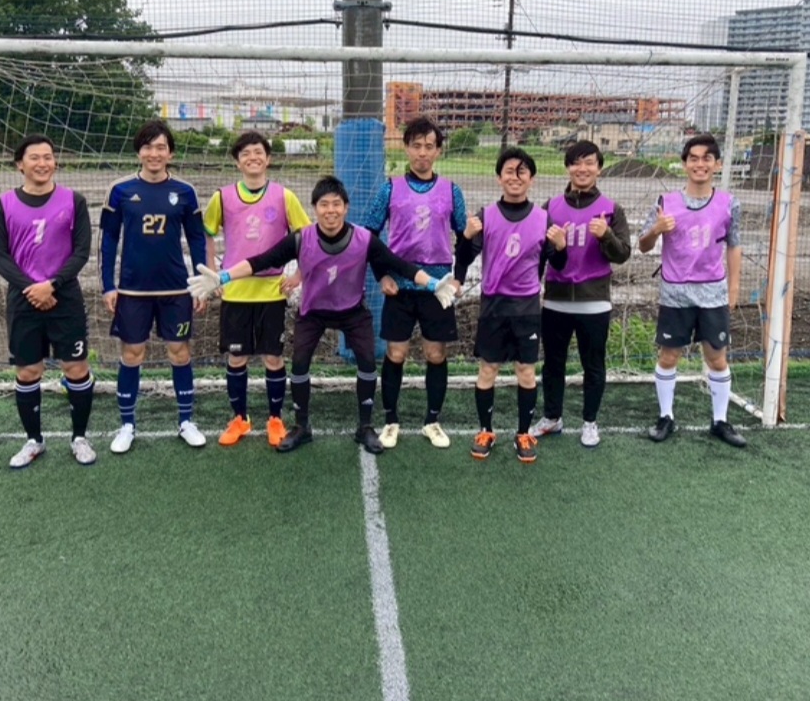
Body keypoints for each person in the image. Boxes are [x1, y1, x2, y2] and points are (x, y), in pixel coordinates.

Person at [187, 176, 456, 456]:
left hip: (352, 311)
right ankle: (302, 427)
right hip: (313, 312)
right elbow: (261, 261)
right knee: (299, 365)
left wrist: (434, 284)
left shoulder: (364, 239)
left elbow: (399, 265)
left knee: (367, 363)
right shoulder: (301, 238)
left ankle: (365, 427)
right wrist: (222, 277)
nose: (331, 210)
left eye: (336, 204)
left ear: (346, 207)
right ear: (315, 208)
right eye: (324, 204)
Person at [99, 119, 208, 454]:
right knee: (132, 354)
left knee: (180, 352)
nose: (154, 153)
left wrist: (201, 283)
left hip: (176, 290)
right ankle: (127, 425)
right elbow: (108, 239)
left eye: (161, 147)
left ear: (170, 153)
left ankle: (186, 421)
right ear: (139, 152)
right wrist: (108, 285)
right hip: (133, 291)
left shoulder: (185, 192)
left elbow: (197, 238)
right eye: (148, 147)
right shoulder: (120, 190)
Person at [454, 148, 568, 465]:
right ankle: (485, 431)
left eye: (522, 171)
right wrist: (466, 237)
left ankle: (523, 434)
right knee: (488, 369)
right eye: (509, 171)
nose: (515, 177)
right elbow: (463, 258)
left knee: (525, 371)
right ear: (499, 178)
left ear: (531, 179)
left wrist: (561, 247)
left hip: (526, 307)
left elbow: (558, 263)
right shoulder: (486, 215)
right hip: (493, 305)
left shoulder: (543, 219)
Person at [0, 134, 96, 468]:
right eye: (34, 157)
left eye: (48, 157)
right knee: (28, 370)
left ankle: (79, 438)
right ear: (20, 164)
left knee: (75, 367)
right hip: (24, 299)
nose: (42, 163)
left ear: (55, 162)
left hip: (64, 296)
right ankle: (34, 441)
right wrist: (32, 288)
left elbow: (82, 251)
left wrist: (52, 285)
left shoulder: (74, 200)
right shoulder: (3, 203)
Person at [362, 116, 468, 451]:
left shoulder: (451, 191)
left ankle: (432, 421)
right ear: (406, 148)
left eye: (429, 146)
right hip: (401, 287)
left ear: (438, 151)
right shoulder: (390, 188)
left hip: (438, 288)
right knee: (396, 353)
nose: (423, 152)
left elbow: (466, 237)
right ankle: (391, 420)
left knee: (436, 354)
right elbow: (369, 236)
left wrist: (459, 276)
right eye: (417, 145)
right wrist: (382, 275)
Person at [201, 131, 311, 448]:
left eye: (258, 152)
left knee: (273, 358)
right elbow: (206, 233)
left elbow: (308, 238)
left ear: (268, 158)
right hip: (236, 293)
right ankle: (240, 419)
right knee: (237, 358)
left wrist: (299, 274)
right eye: (246, 153)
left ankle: (275, 419)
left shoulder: (284, 196)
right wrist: (212, 272)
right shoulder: (222, 197)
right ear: (237, 161)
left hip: (272, 293)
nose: (253, 158)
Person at [637, 133, 745, 448]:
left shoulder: (729, 203)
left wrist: (734, 287)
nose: (700, 164)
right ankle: (666, 416)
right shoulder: (666, 203)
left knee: (716, 358)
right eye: (693, 158)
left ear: (717, 164)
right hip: (676, 294)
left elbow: (734, 245)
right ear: (684, 164)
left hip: (712, 294)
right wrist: (656, 230)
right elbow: (643, 245)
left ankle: (720, 420)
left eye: (706, 158)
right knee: (669, 355)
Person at [531, 141, 632, 448]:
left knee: (593, 365)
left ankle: (590, 422)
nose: (582, 169)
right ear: (568, 168)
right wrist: (537, 284)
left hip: (594, 302)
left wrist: (606, 235)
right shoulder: (550, 207)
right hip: (556, 300)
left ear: (599, 168)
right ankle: (552, 417)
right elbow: (540, 253)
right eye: (576, 163)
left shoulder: (612, 209)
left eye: (589, 163)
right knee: (553, 364)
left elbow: (622, 254)